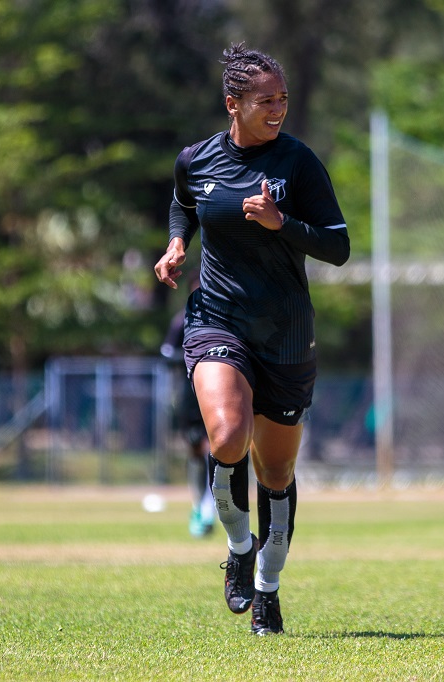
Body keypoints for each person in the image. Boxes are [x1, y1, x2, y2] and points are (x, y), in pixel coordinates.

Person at [153, 43, 349, 635]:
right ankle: (239, 547)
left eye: (283, 98)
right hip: (217, 316)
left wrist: (281, 224)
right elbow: (183, 203)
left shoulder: (299, 164)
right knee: (227, 433)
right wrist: (176, 243)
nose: (279, 109)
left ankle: (268, 587)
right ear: (233, 104)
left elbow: (338, 247)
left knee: (277, 474)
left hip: (287, 332)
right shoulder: (197, 159)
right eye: (266, 100)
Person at [161, 272, 215, 538]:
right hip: (189, 396)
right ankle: (200, 504)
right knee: (196, 452)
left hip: (217, 394)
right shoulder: (182, 320)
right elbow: (166, 353)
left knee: (215, 449)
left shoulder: (222, 318)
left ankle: (210, 508)